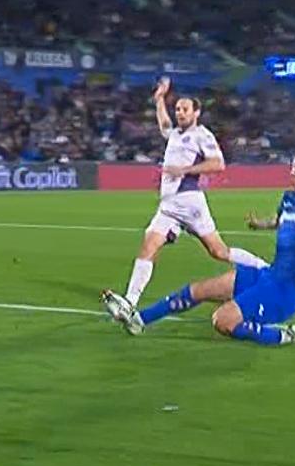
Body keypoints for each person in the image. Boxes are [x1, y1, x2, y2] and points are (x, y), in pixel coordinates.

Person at [104, 152, 295, 346]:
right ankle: (139, 320)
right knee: (198, 290)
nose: (292, 172)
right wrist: (260, 224)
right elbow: (280, 222)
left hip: (287, 289)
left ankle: (280, 336)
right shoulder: (289, 199)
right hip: (269, 274)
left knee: (222, 321)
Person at [101, 78, 265, 319]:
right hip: (168, 206)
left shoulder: (202, 135)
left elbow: (218, 164)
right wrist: (159, 100)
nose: (180, 113)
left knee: (218, 251)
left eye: (185, 109)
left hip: (189, 203)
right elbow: (164, 124)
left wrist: (185, 170)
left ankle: (262, 268)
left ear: (196, 113)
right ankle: (130, 302)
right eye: (177, 108)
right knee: (149, 244)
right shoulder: (176, 133)